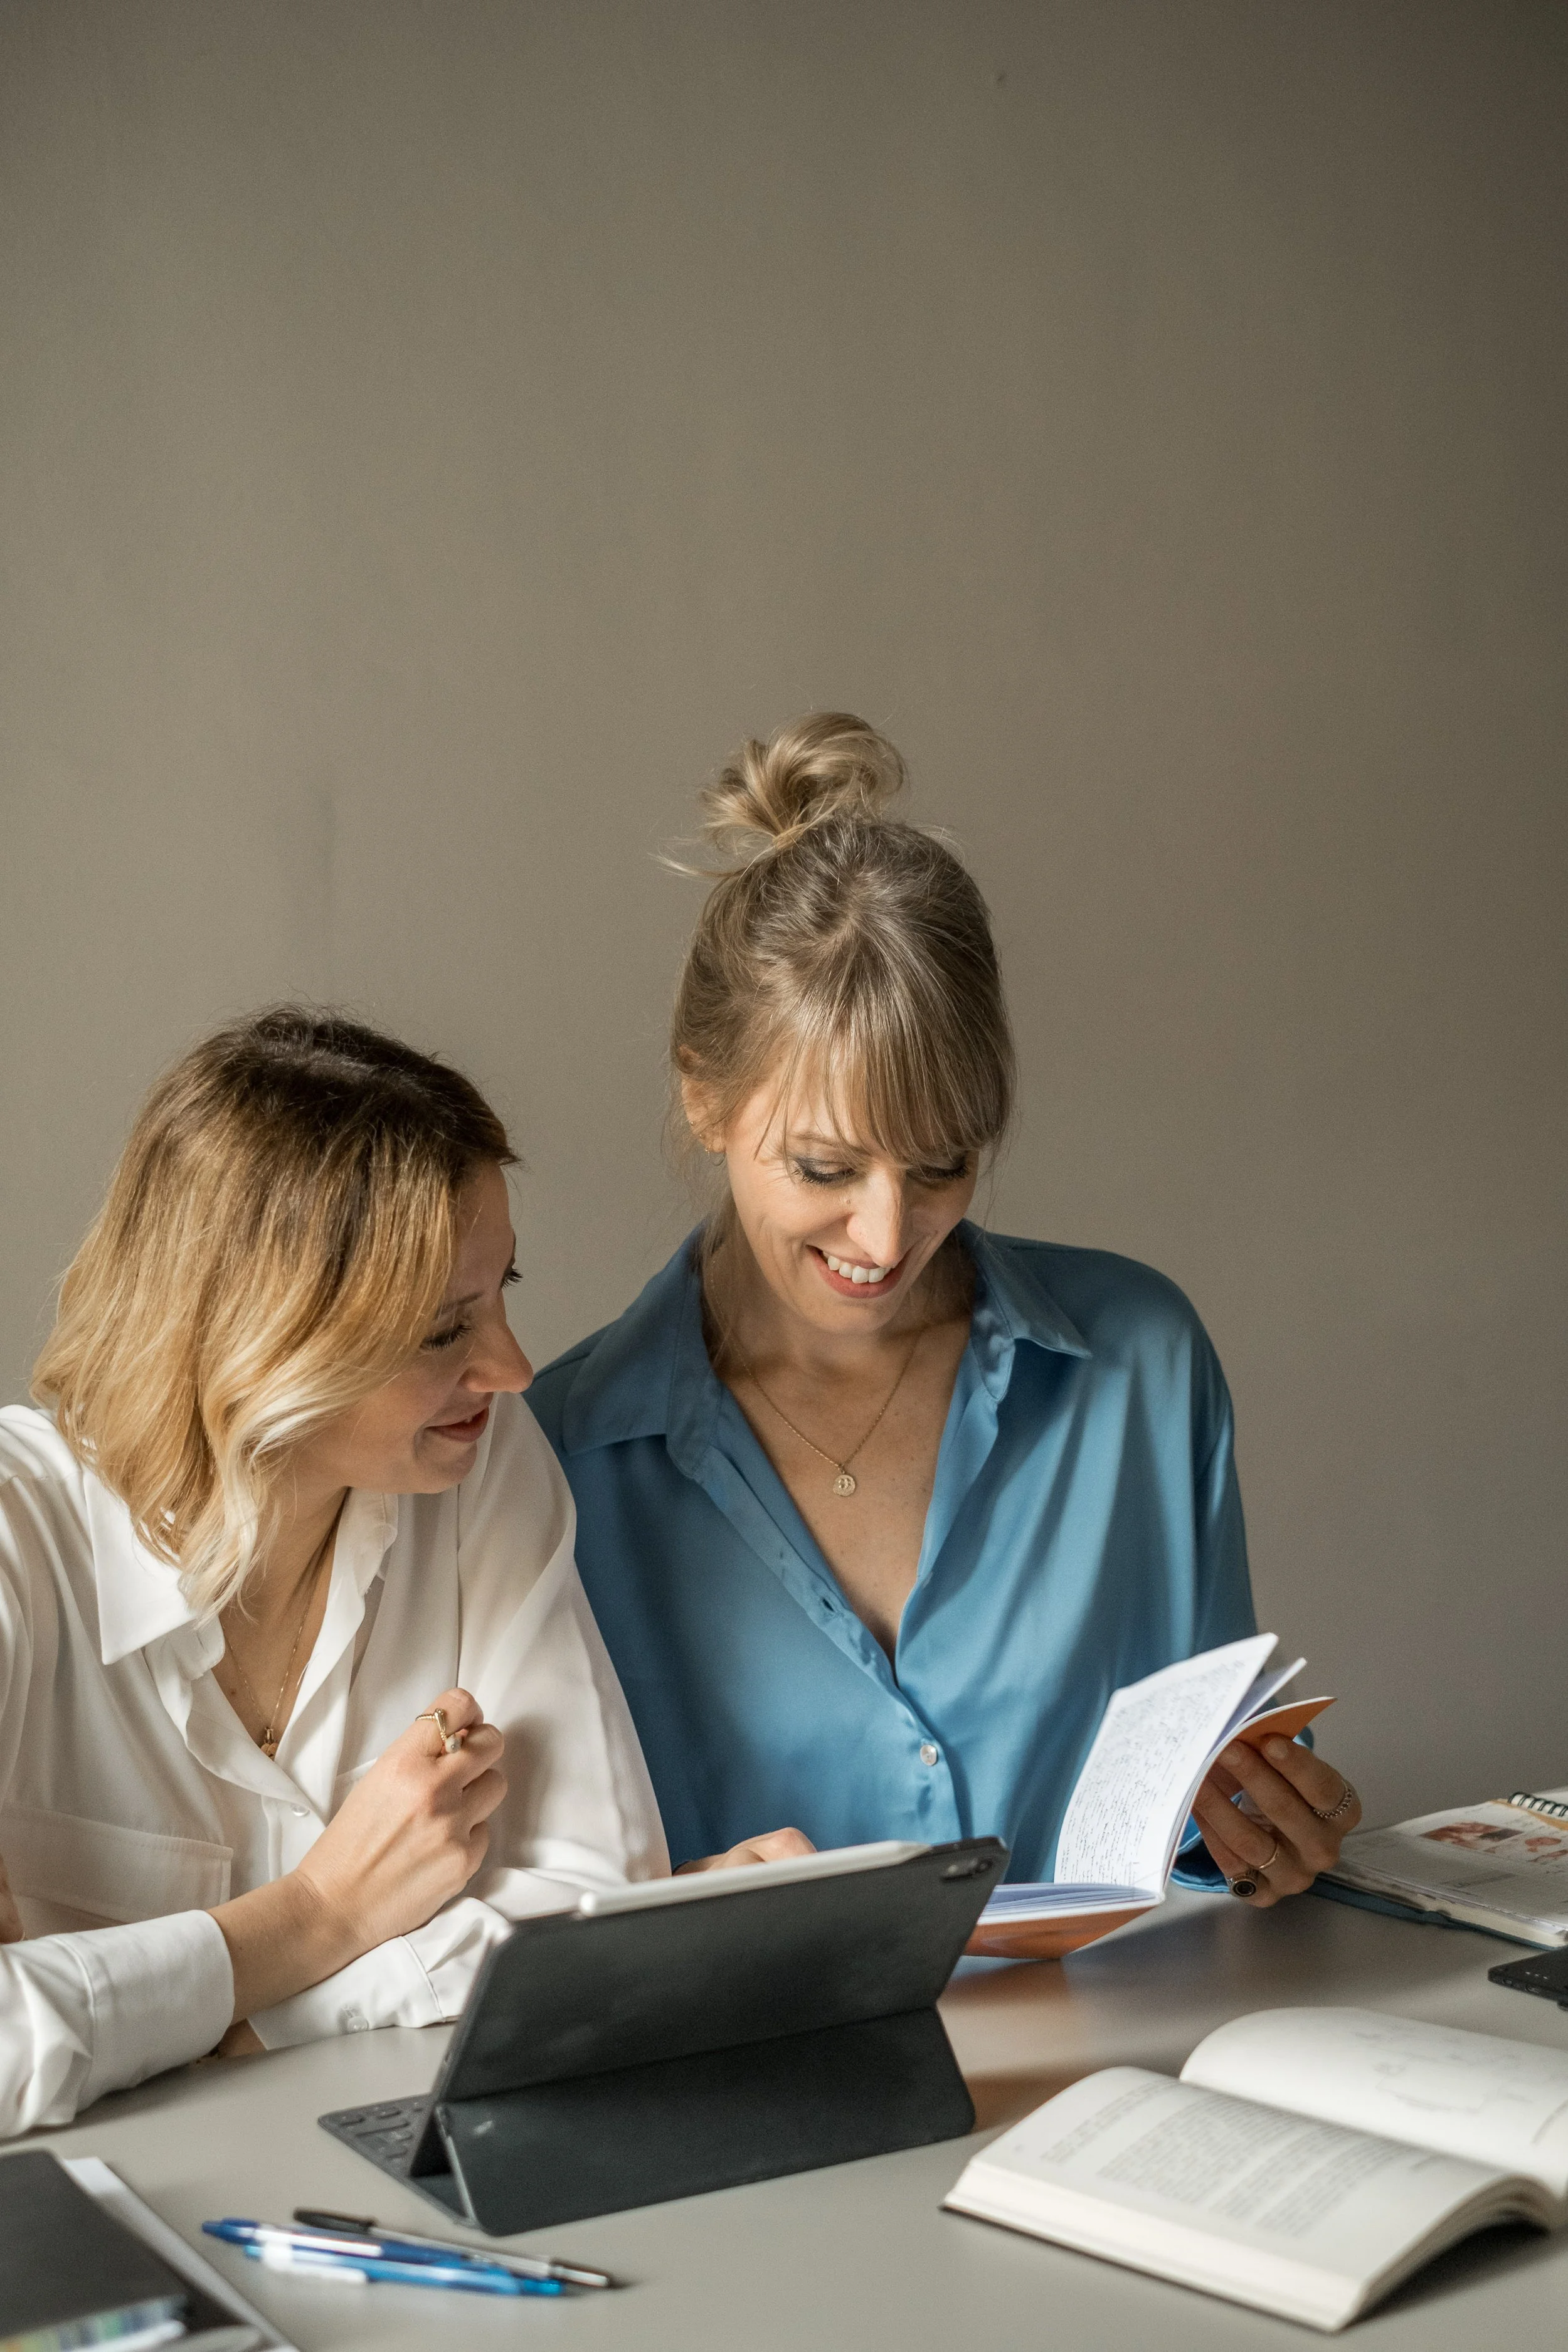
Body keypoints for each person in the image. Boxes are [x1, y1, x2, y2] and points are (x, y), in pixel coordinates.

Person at [527, 713, 1362, 1909]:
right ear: (703, 1097)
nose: (886, 1239)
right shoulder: (556, 1461)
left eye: (940, 1166)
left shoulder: (1141, 1368)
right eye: (824, 1168)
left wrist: (1267, 1829)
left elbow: (1205, 1828)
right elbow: (533, 1913)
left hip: (1122, 2075)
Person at [0, 1008, 685, 2137]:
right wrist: (318, 1915)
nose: (512, 1367)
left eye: (503, 1289)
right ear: (261, 1341)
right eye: (440, 1330)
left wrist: (232, 2016)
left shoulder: (481, 1462)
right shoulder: (20, 1540)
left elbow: (597, 1910)